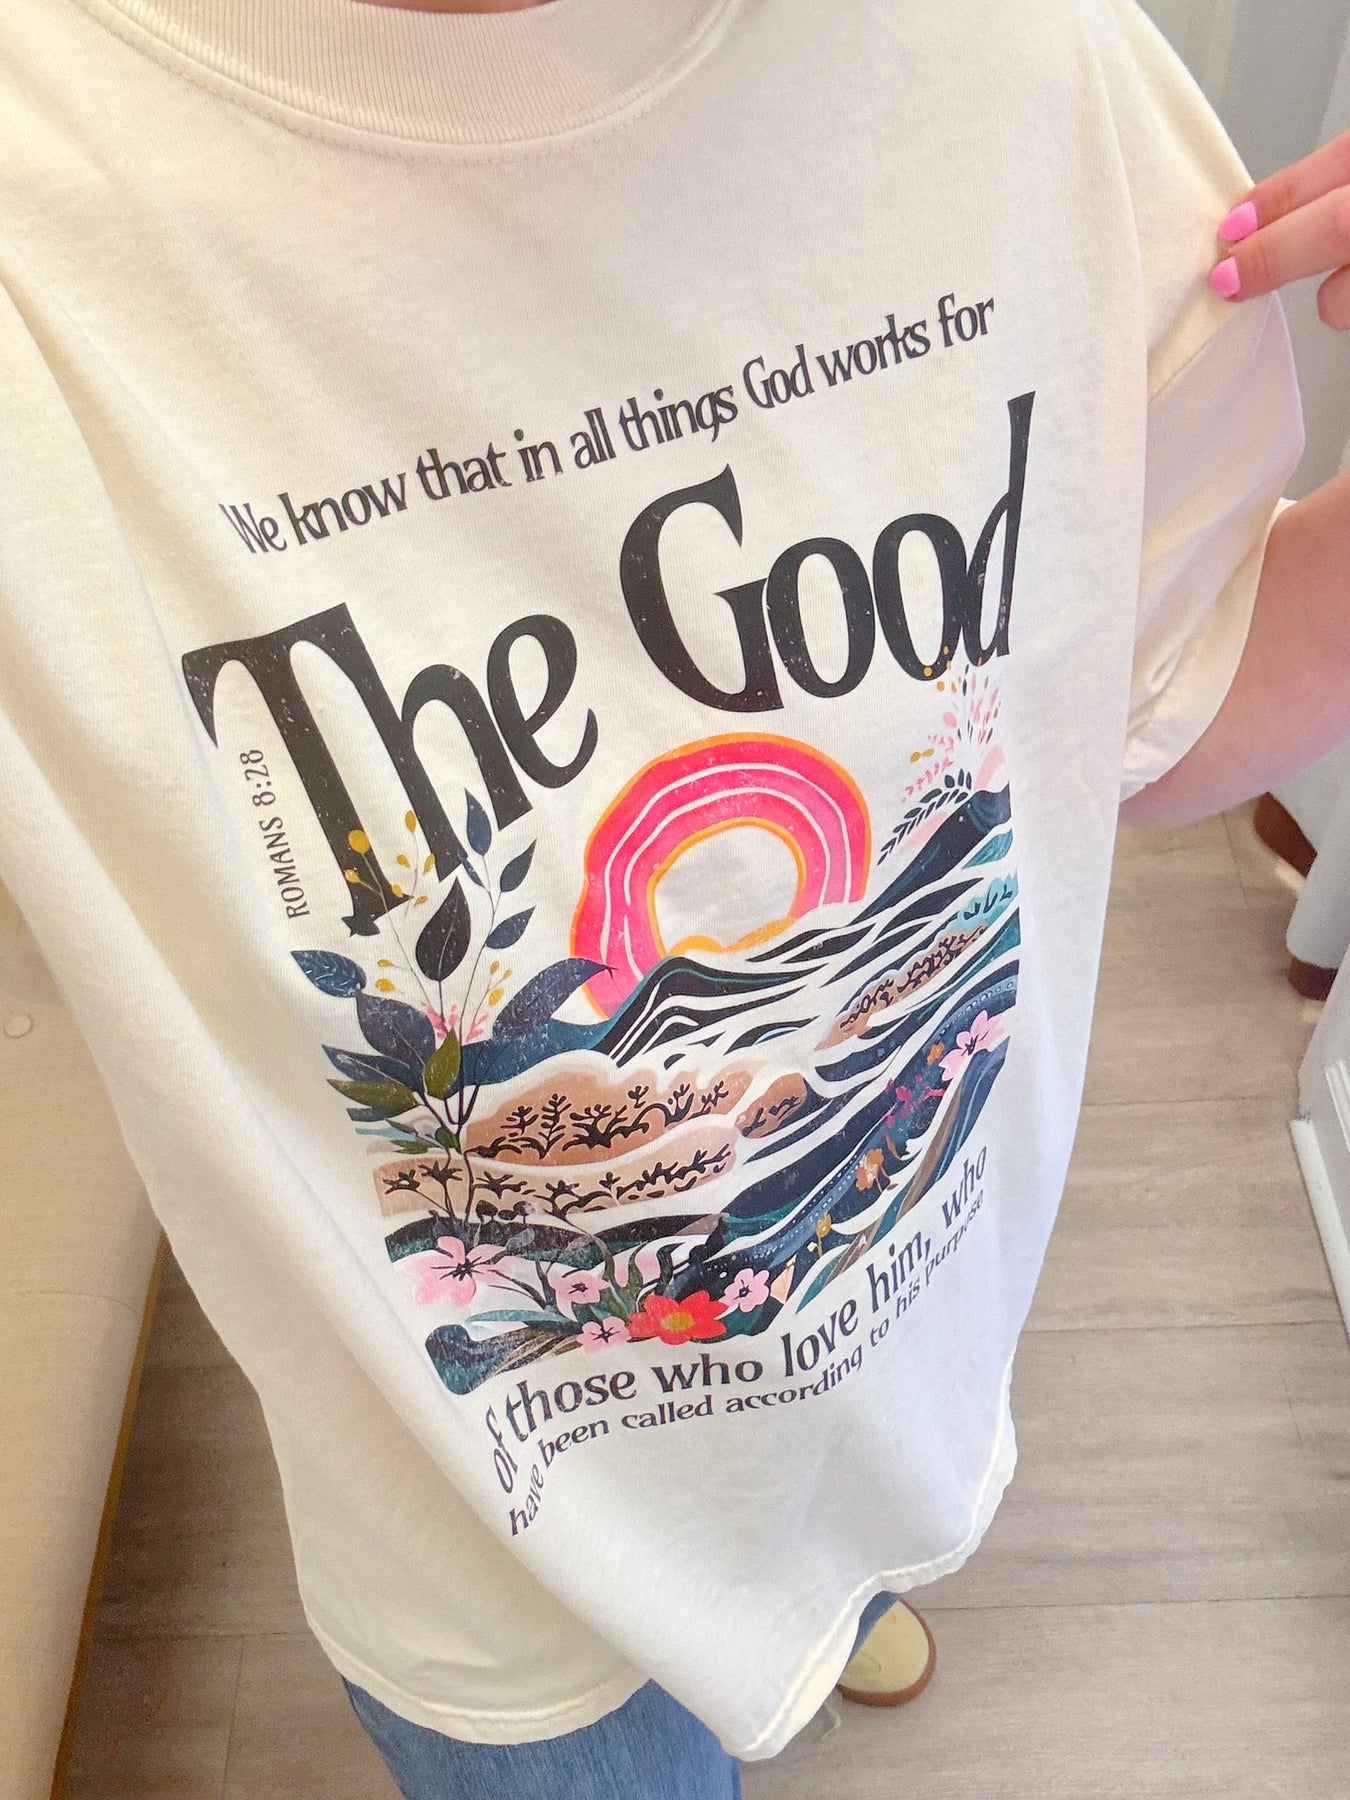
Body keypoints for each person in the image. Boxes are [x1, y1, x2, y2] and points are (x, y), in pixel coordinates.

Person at [0, 1, 1341, 1795]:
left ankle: (815, 1582)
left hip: (891, 1356)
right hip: (504, 1554)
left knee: (824, 1499)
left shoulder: (1025, 62)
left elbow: (1131, 712)